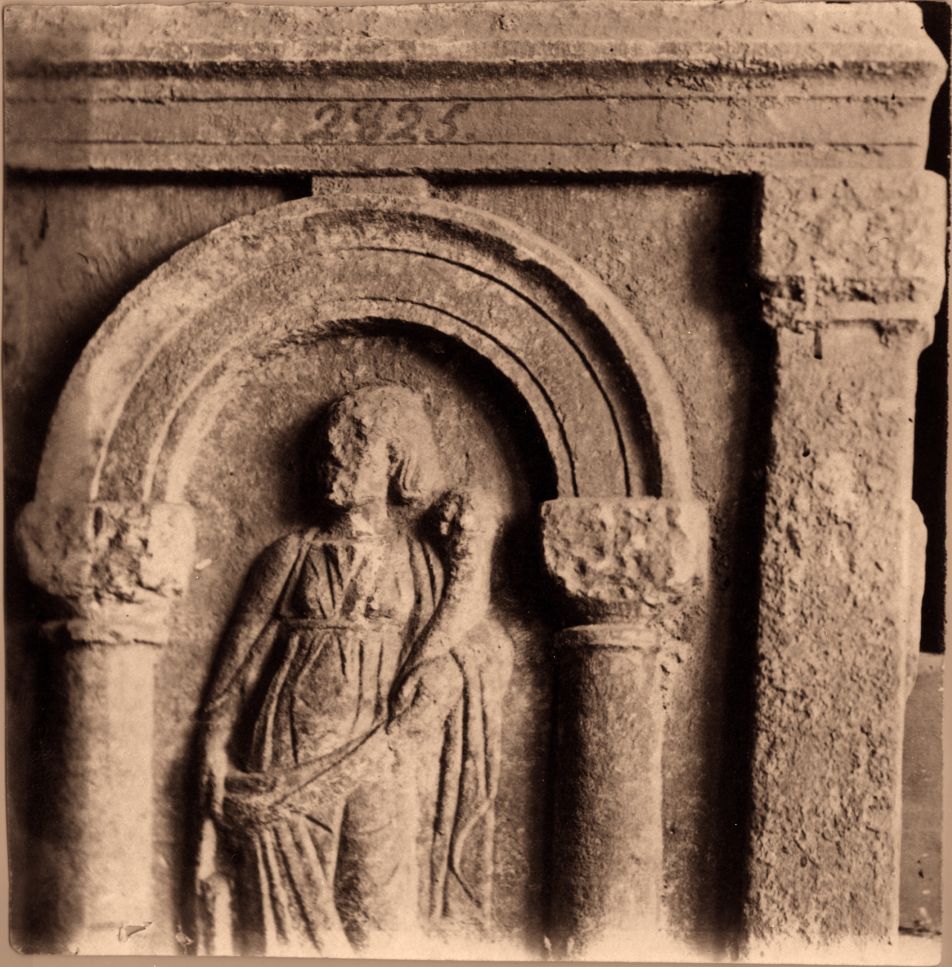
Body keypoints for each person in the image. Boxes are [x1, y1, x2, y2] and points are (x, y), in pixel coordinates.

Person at [194, 385, 513, 956]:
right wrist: (213, 748)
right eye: (330, 444)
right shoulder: (290, 555)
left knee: (379, 915)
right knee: (285, 921)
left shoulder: (420, 563)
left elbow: (472, 643)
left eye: (357, 443)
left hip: (381, 750)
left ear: (396, 461)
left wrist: (444, 674)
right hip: (288, 746)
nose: (335, 455)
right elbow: (239, 664)